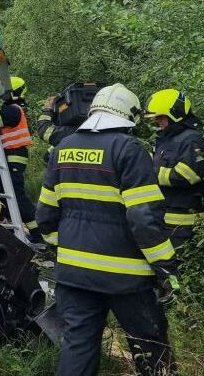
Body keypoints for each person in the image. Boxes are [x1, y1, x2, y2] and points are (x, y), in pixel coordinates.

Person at [36, 83, 178, 376]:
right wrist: (165, 264)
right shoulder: (129, 149)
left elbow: (45, 215)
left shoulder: (63, 149)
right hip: (127, 278)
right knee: (150, 347)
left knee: (78, 346)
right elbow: (143, 218)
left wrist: (65, 248)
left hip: (73, 274)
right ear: (129, 116)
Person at [145, 89, 204, 250]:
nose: (157, 120)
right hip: (166, 219)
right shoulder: (166, 138)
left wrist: (149, 173)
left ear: (175, 113)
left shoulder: (192, 140)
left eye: (161, 116)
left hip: (186, 223)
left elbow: (187, 175)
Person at [0, 76, 39, 238]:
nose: (3, 95)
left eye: (5, 92)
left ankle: (37, 231)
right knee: (1, 190)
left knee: (16, 194)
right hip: (8, 156)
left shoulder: (13, 109)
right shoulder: (10, 107)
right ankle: (9, 226)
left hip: (14, 156)